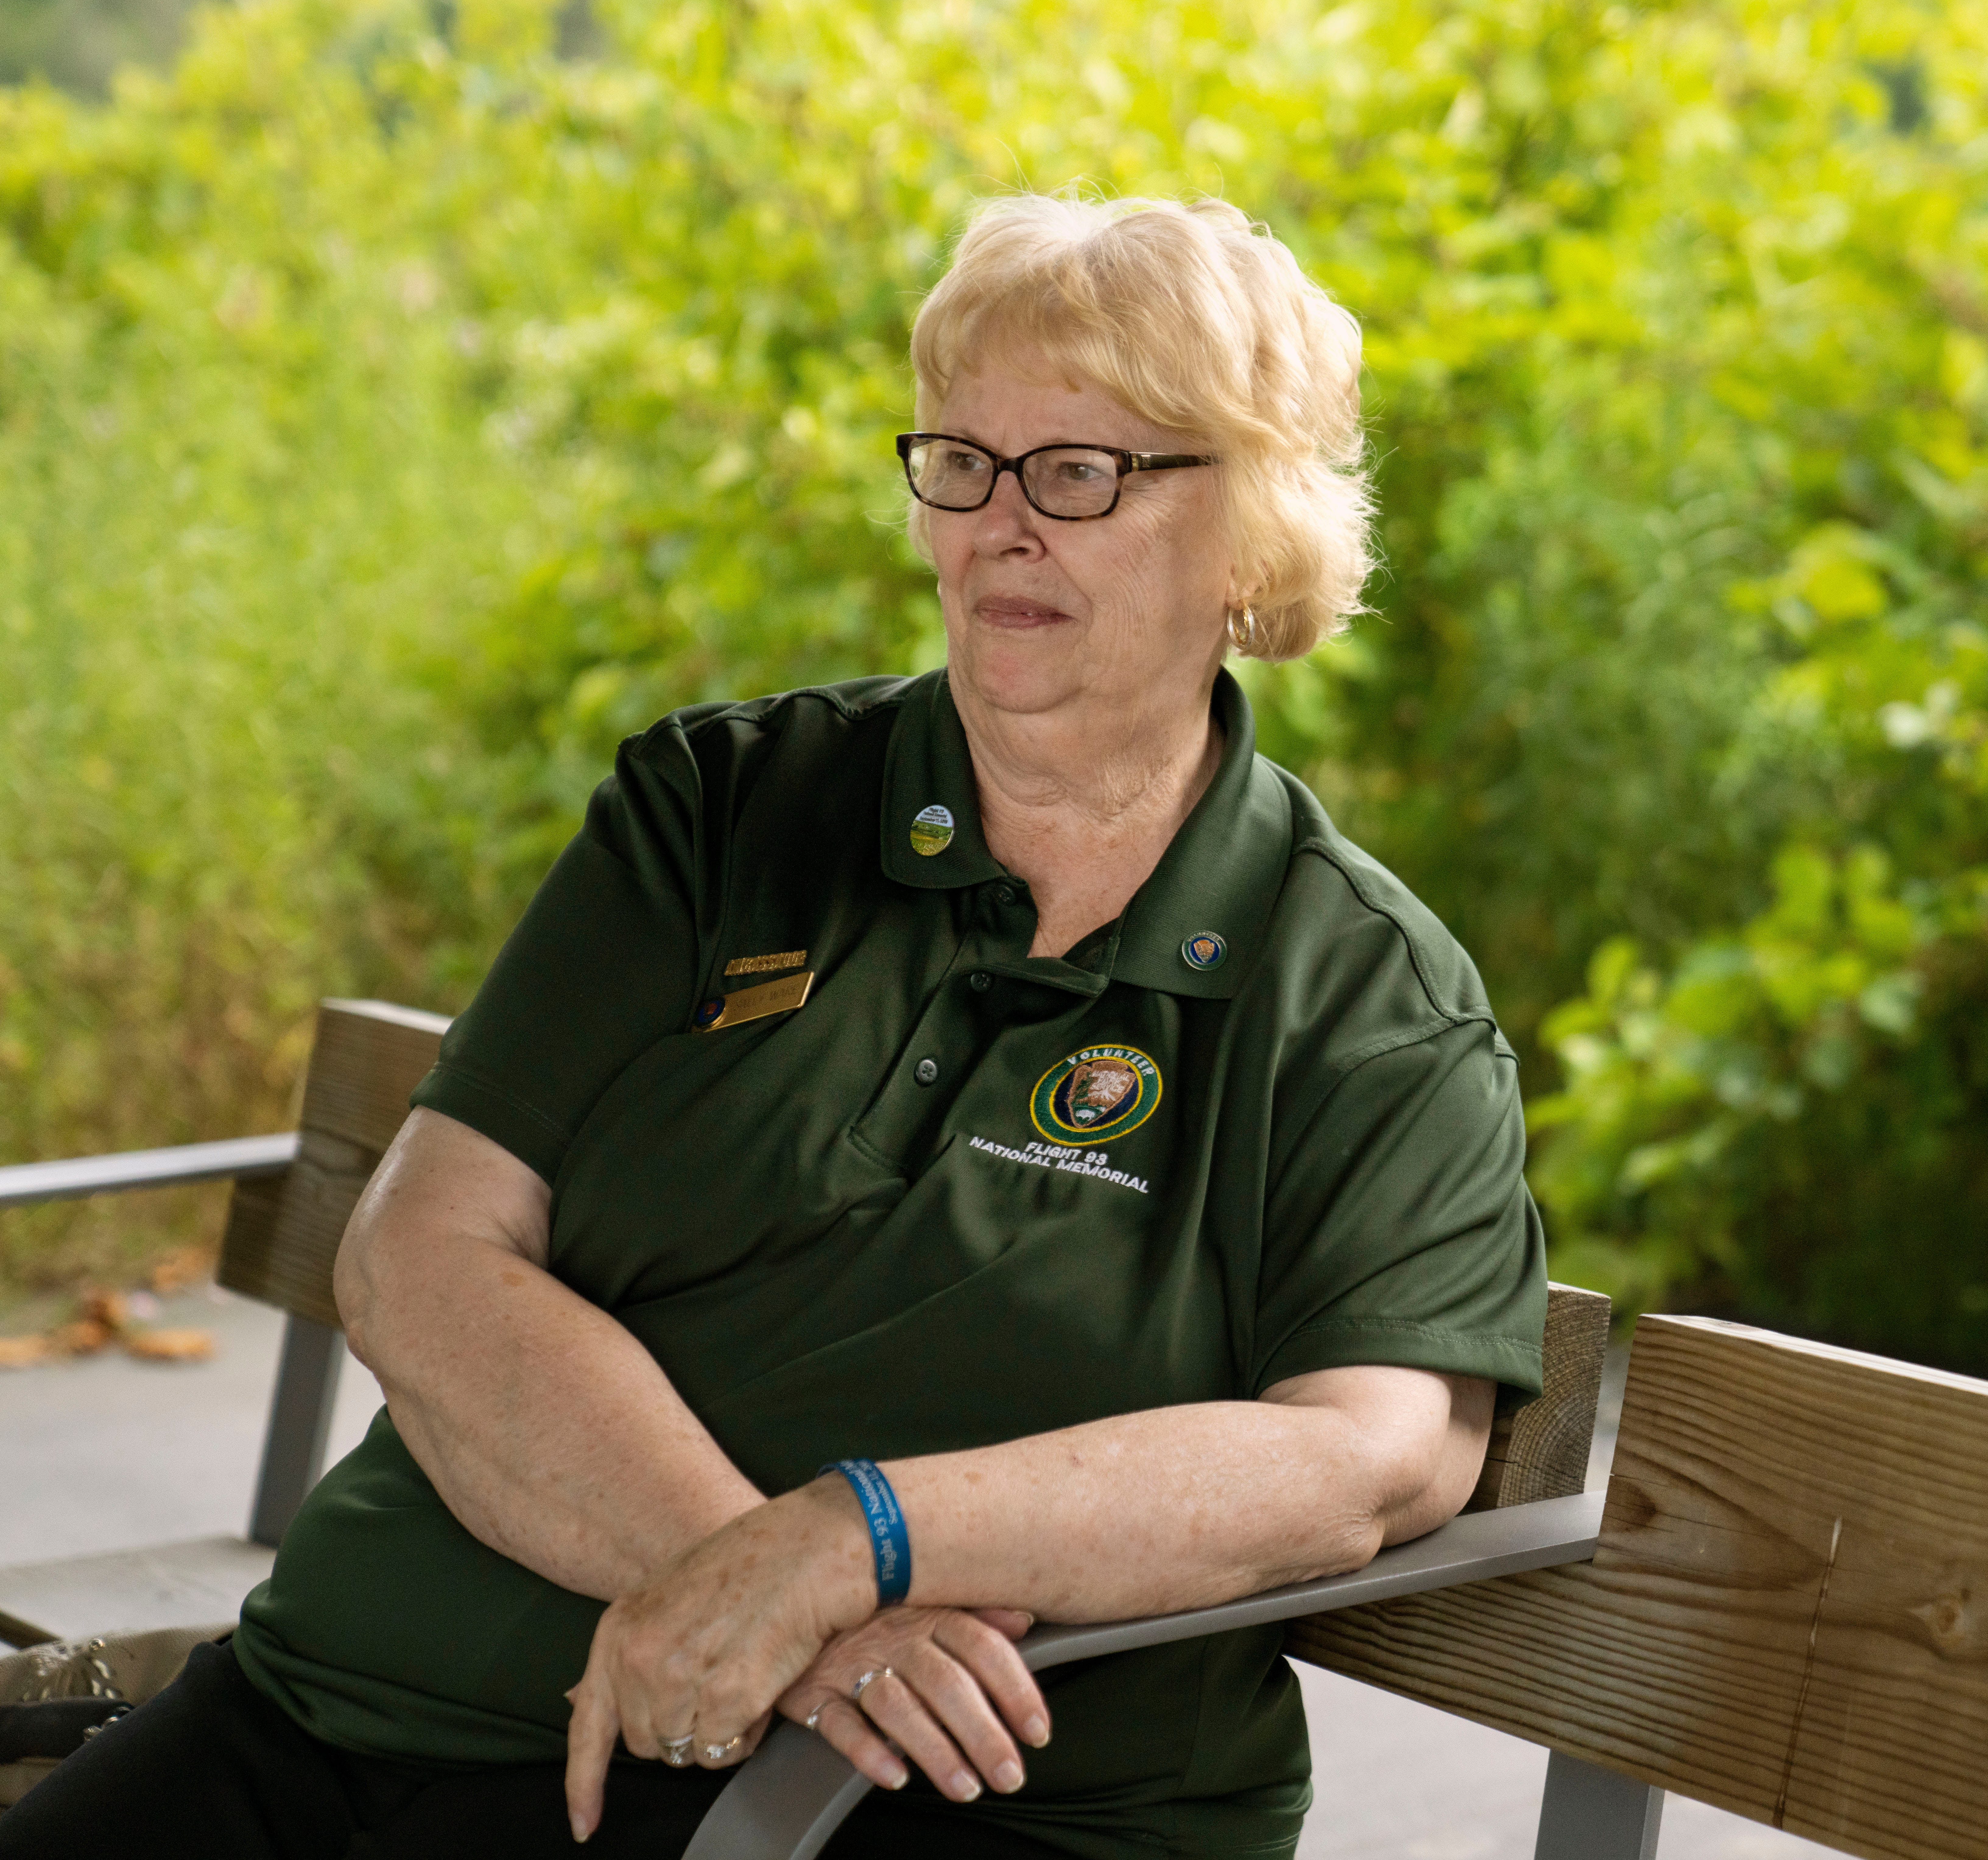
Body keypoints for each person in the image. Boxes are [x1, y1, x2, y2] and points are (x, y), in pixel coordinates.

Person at [0, 194, 1548, 1857]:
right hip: (341, 1706)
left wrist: (860, 1536)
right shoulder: (723, 812)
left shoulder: (1362, 997)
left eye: (1080, 471)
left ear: (1253, 533)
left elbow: (1371, 1462)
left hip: (882, 1811)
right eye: (962, 460)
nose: (1001, 526)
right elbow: (419, 1255)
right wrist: (768, 1584)